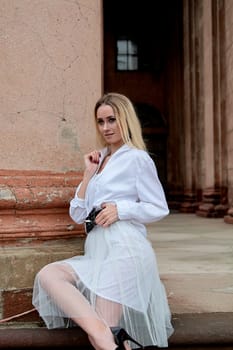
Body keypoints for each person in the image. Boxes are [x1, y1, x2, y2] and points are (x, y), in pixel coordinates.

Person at [32, 92, 174, 350]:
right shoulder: (98, 161)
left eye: (112, 120)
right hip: (98, 255)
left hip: (126, 252)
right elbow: (77, 214)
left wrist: (122, 209)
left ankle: (110, 335)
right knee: (49, 274)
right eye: (101, 122)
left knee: (100, 337)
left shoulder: (137, 158)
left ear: (125, 119)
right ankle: (116, 338)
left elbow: (158, 207)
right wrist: (88, 175)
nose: (106, 127)